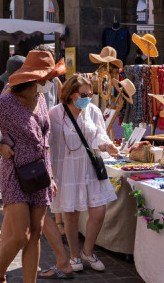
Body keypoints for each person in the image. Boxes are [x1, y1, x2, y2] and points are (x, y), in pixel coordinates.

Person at [0, 50, 64, 283]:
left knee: (36, 234)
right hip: (15, 172)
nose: (51, 83)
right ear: (37, 79)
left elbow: (44, 140)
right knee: (21, 235)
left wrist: (50, 177)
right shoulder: (6, 101)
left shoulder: (39, 100)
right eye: (49, 78)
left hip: (40, 173)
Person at [49, 73, 118, 273]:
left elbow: (99, 135)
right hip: (67, 168)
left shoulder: (93, 111)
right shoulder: (55, 113)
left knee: (98, 211)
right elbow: (48, 142)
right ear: (71, 94)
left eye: (90, 93)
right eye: (84, 93)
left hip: (89, 167)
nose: (88, 97)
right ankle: (74, 256)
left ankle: (88, 251)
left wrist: (107, 146)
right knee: (71, 214)